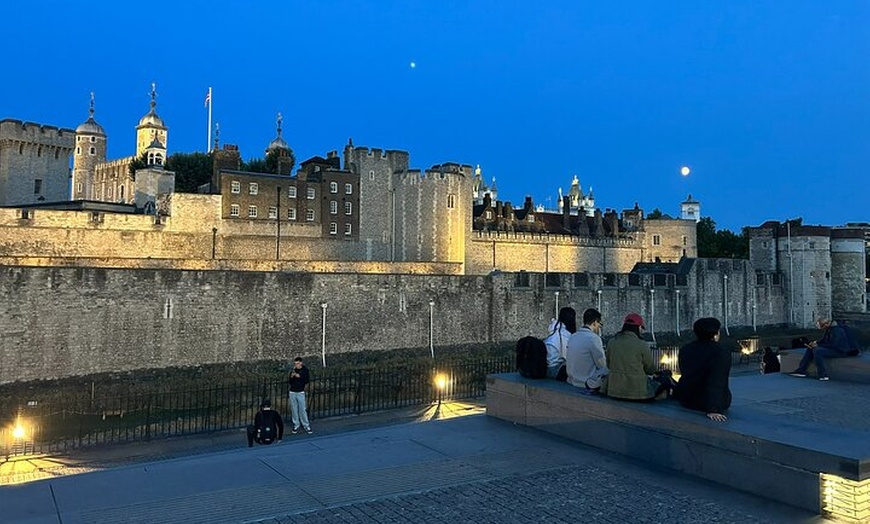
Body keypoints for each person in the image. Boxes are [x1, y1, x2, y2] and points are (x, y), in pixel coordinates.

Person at [673, 317, 732, 422]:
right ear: (715, 334)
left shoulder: (685, 349)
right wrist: (714, 408)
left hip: (687, 399)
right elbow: (717, 380)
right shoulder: (721, 352)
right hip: (706, 402)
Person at [600, 313, 660, 401]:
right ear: (638, 327)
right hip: (637, 392)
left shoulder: (612, 342)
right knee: (664, 384)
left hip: (614, 390)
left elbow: (609, 365)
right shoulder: (641, 344)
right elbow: (649, 369)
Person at [566, 308, 608, 391]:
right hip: (586, 382)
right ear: (595, 322)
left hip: (571, 379)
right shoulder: (594, 339)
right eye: (600, 323)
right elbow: (602, 365)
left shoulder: (573, 336)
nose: (599, 327)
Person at [543, 307, 577, 380]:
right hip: (555, 369)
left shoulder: (554, 331)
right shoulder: (565, 335)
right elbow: (567, 356)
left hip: (547, 367)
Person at [288, 356, 312, 434]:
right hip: (292, 391)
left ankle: (306, 425)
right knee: (294, 409)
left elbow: (306, 380)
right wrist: (292, 377)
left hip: (300, 391)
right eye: (295, 364)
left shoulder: (304, 370)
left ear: (301, 363)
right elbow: (290, 381)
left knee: (302, 409)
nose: (296, 365)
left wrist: (299, 377)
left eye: (297, 364)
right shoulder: (293, 370)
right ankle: (296, 424)